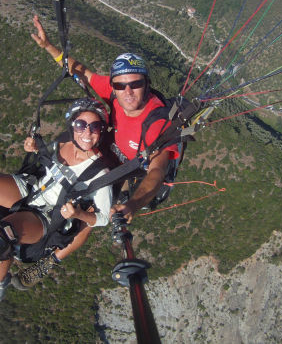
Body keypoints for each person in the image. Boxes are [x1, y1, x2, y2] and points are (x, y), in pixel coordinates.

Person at [0, 99, 113, 311]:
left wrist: (78, 213)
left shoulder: (99, 173)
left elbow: (104, 218)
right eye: (81, 125)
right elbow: (44, 160)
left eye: (95, 127)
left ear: (101, 131)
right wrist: (32, 148)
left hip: (46, 214)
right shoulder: (62, 143)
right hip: (31, 190)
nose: (87, 132)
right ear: (72, 126)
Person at [31, 15, 180, 222]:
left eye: (135, 84)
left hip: (128, 167)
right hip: (107, 151)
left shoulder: (156, 122)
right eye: (119, 85)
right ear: (113, 86)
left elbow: (156, 171)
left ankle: (58, 250)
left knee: (91, 207)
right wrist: (48, 46)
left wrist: (132, 205)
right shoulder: (113, 93)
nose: (127, 91)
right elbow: (82, 72)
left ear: (147, 84)